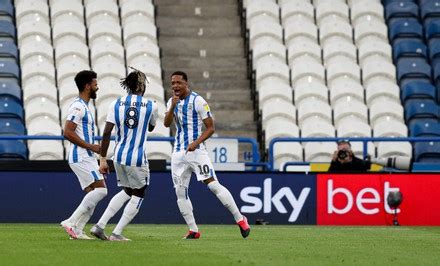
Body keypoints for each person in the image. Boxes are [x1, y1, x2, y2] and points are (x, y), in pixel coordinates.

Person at [164, 71, 250, 239]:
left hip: (197, 152)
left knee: (213, 185)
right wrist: (172, 107)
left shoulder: (198, 101)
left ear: (186, 84)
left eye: (178, 83)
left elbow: (211, 128)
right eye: (173, 83)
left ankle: (240, 219)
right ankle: (193, 230)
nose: (175, 86)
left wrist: (196, 143)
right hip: (178, 154)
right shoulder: (171, 102)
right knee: (180, 192)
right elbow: (166, 123)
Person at [90, 67, 158, 241]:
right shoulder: (152, 106)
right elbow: (151, 127)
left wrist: (102, 159)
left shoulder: (116, 103)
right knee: (139, 193)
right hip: (137, 158)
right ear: (142, 87)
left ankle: (100, 225)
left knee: (127, 190)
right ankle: (117, 233)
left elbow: (106, 133)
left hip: (118, 156)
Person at [61, 70, 108, 240]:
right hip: (80, 156)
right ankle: (71, 222)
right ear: (88, 86)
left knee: (92, 194)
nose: (97, 87)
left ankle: (78, 231)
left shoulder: (85, 106)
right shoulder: (78, 106)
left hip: (85, 156)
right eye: (95, 84)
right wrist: (91, 147)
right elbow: (67, 132)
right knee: (102, 191)